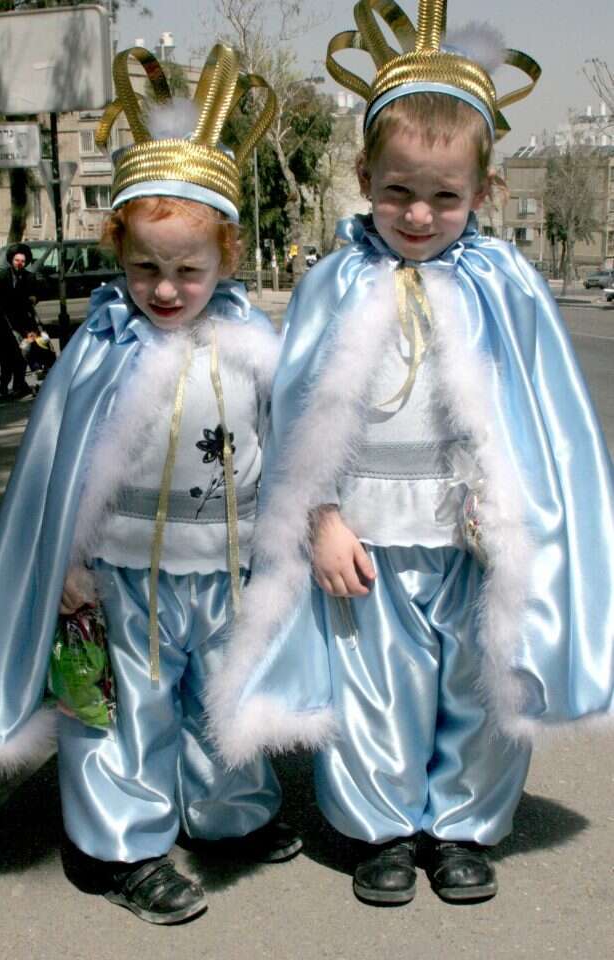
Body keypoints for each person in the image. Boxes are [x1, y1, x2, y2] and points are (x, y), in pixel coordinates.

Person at [206, 0, 614, 906]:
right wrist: (316, 518)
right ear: (363, 175)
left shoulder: (505, 282)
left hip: (473, 529)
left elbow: (547, 414)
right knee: (373, 686)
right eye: (397, 191)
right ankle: (381, 829)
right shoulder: (330, 282)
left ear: (484, 191)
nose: (419, 214)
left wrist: (520, 517)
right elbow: (295, 413)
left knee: (477, 680)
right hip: (365, 530)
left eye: (445, 196)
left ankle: (462, 826)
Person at [0, 44, 300, 926]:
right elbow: (59, 465)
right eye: (144, 267)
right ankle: (121, 846)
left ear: (227, 257)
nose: (165, 288)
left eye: (188, 270)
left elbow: (291, 445)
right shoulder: (101, 352)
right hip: (121, 574)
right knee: (123, 710)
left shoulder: (252, 345)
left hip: (226, 568)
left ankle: (227, 814)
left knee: (222, 698)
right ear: (117, 251)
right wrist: (68, 564)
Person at [0, 241, 38, 397]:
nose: (19, 264)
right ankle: (4, 384)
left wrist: (34, 298)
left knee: (22, 354)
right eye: (17, 260)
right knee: (4, 355)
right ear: (11, 260)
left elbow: (36, 294)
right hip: (5, 323)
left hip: (23, 323)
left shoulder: (30, 277)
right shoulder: (1, 276)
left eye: (22, 261)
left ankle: (19, 384)